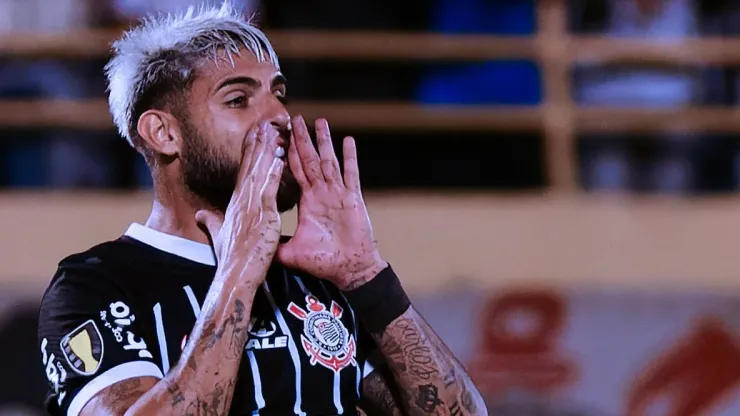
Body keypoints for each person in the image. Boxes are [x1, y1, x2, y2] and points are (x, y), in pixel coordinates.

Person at [36, 2, 487, 415]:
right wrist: (239, 271)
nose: (278, 116)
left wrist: (367, 275)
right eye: (238, 99)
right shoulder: (92, 286)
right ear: (163, 133)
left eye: (279, 94)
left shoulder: (316, 278)